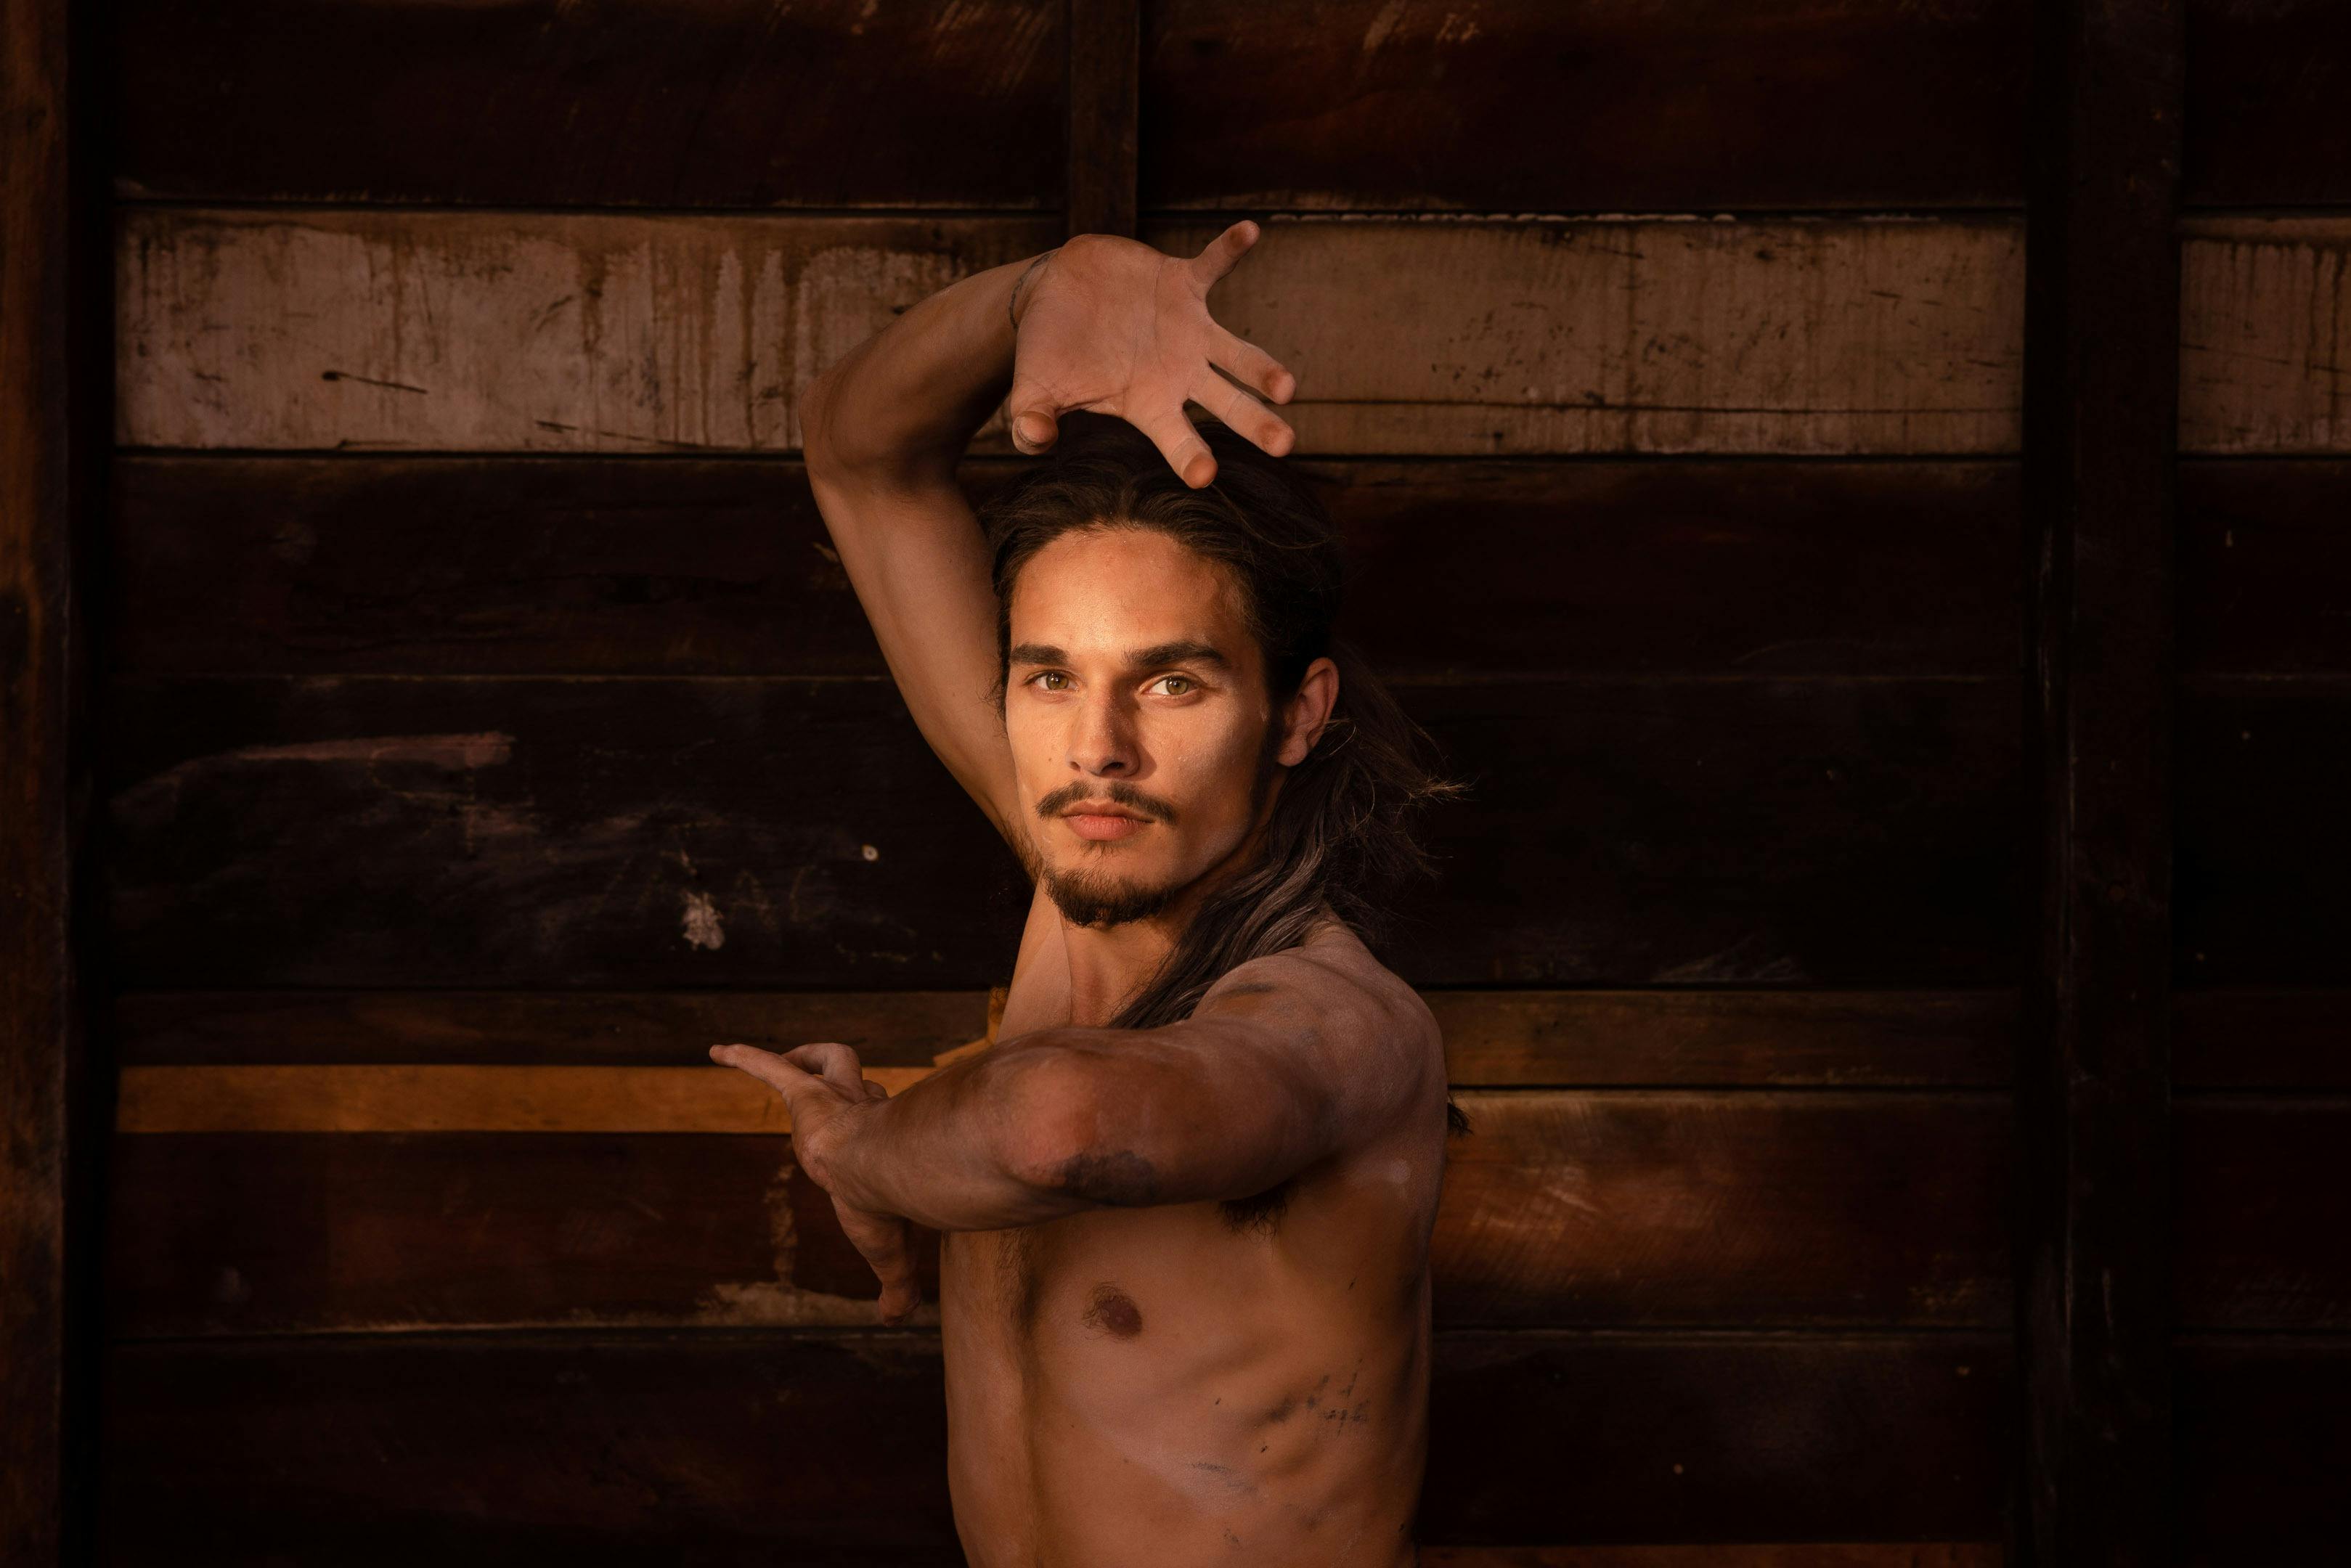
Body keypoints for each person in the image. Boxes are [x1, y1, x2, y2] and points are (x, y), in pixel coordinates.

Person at [711, 221, 1468, 1568]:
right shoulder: (1086, 840)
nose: (1098, 746)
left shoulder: (1332, 1020)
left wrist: (857, 1153)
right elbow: (859, 454)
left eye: (1173, 683)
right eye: (1050, 676)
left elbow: (1060, 1123)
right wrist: (1026, 297)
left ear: (1296, 714)